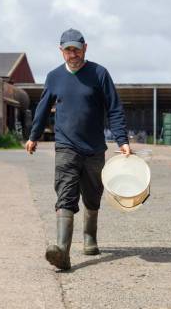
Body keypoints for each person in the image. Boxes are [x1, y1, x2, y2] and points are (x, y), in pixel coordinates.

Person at [25, 28, 131, 270]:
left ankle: (90, 236)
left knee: (93, 195)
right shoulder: (54, 77)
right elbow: (42, 109)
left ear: (85, 48)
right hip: (66, 146)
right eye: (67, 50)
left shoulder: (99, 73)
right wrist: (34, 136)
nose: (72, 54)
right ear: (60, 51)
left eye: (76, 49)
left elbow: (114, 109)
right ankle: (62, 250)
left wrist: (122, 140)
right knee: (65, 192)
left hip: (94, 148)